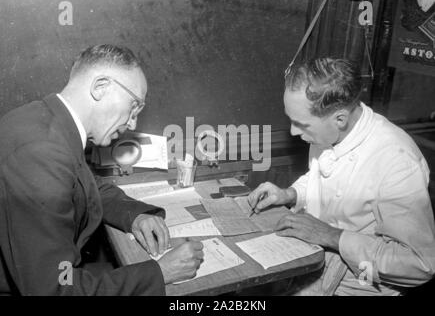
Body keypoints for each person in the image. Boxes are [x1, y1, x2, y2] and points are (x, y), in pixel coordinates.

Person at [0, 44, 204, 295]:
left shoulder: (45, 119)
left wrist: (134, 215)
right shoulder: (41, 153)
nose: (133, 122)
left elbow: (85, 184)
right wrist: (161, 273)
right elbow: (55, 290)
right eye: (134, 106)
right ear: (100, 87)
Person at [248, 57, 435, 295]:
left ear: (340, 118)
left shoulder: (396, 160)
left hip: (361, 283)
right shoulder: (329, 131)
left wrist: (331, 236)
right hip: (312, 262)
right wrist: (290, 194)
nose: (294, 131)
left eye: (301, 124)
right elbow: (324, 176)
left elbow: (420, 264)